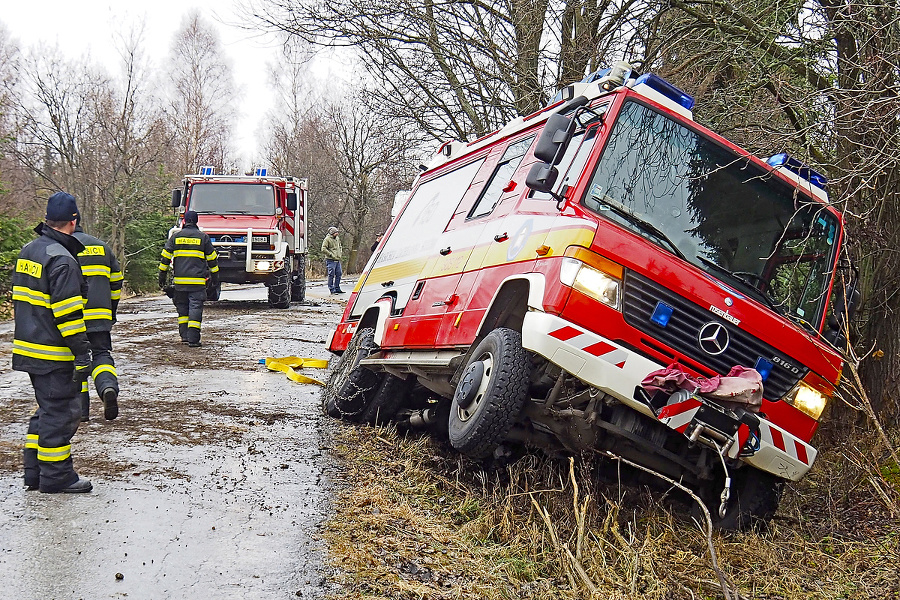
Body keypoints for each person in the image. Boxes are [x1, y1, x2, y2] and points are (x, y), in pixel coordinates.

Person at [12, 191, 93, 493]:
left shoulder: (29, 251)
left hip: (30, 347)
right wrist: (83, 355)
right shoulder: (63, 261)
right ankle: (58, 477)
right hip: (53, 353)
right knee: (60, 414)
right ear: (74, 221)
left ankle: (35, 473)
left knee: (46, 411)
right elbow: (69, 316)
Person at [73, 213, 123, 422]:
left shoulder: (60, 248)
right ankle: (107, 387)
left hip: (72, 317)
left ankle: (82, 411)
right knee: (101, 354)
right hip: (100, 316)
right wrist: (111, 310)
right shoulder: (102, 247)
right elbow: (117, 282)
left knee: (76, 360)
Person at [158, 210, 219, 347]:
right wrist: (215, 279)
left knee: (183, 310)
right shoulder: (203, 238)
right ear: (196, 221)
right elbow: (212, 262)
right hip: (197, 283)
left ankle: (184, 337)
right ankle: (193, 340)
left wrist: (161, 279)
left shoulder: (175, 237)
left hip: (179, 283)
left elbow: (164, 261)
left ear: (184, 221)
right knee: (195, 309)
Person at [322, 226, 344, 294]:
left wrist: (340, 253)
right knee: (331, 274)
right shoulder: (327, 239)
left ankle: (337, 287)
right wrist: (331, 255)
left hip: (337, 259)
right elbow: (323, 249)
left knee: (339, 273)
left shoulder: (337, 239)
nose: (337, 233)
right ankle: (331, 288)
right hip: (330, 260)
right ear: (332, 233)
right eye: (336, 232)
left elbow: (340, 246)